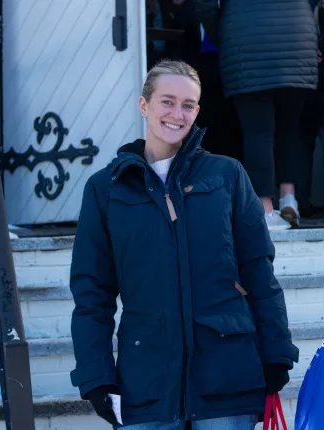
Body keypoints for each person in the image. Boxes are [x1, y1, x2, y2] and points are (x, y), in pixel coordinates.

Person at [69, 60, 298, 429]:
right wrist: (96, 376)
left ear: (197, 111)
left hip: (227, 377)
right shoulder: (106, 189)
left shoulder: (227, 176)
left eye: (188, 104)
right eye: (167, 101)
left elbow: (258, 271)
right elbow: (92, 291)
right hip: (146, 384)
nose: (177, 113)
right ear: (143, 105)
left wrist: (276, 354)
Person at [194, 0, 319, 231]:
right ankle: (289, 197)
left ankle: (265, 210)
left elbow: (203, 4)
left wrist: (223, 30)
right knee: (289, 128)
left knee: (258, 132)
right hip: (296, 38)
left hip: (246, 40)